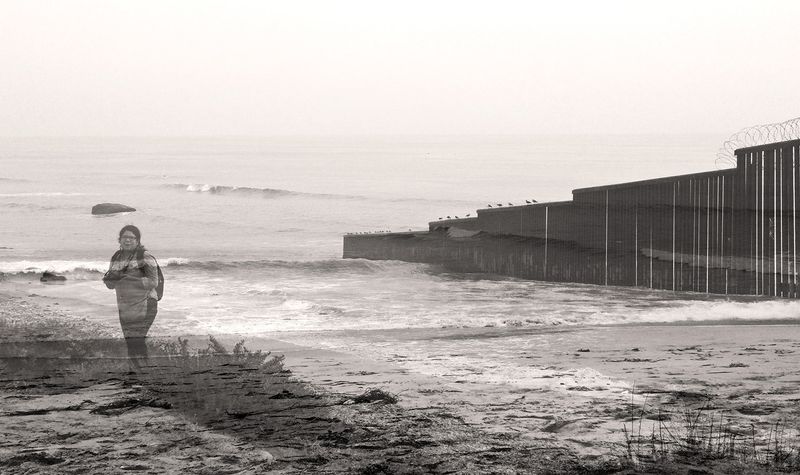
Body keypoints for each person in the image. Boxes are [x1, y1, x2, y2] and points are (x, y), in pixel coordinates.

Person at [103, 225, 159, 363]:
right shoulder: (116, 257)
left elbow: (154, 282)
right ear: (119, 240)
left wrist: (129, 280)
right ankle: (136, 376)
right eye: (124, 237)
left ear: (137, 240)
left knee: (136, 342)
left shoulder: (145, 257)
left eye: (131, 238)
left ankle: (143, 374)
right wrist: (109, 281)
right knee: (131, 344)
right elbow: (112, 285)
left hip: (145, 304)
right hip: (125, 308)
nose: (127, 240)